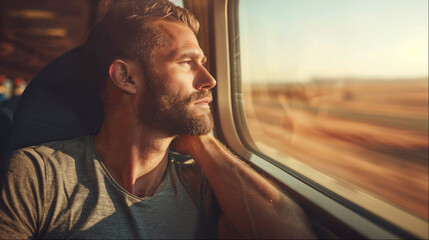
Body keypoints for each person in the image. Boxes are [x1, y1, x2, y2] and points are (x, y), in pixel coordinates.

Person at [0, 0, 315, 239]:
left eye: (202, 62)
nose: (209, 80)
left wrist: (204, 143)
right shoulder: (40, 174)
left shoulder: (202, 182)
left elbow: (295, 234)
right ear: (125, 76)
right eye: (186, 62)